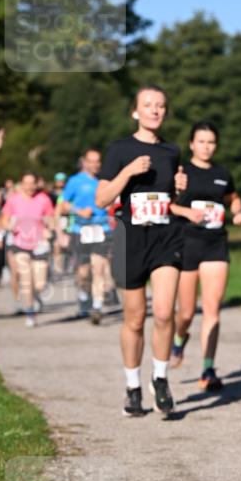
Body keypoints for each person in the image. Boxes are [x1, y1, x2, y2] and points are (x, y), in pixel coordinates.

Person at [96, 85, 187, 418]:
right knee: (134, 319)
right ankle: (133, 387)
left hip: (166, 238)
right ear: (135, 111)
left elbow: (170, 200)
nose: (155, 110)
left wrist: (178, 191)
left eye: (161, 105)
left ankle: (160, 379)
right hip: (129, 240)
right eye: (148, 105)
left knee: (164, 313)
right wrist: (128, 172)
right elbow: (102, 198)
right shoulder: (119, 150)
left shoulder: (172, 152)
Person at [169, 120, 241, 389]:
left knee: (212, 309)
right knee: (187, 313)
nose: (206, 147)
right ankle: (179, 340)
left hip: (215, 243)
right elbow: (166, 205)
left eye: (211, 142)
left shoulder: (222, 174)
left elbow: (233, 198)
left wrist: (238, 212)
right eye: (201, 141)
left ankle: (208, 369)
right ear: (191, 144)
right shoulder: (181, 172)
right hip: (187, 241)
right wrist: (186, 212)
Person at [61, 149, 112, 324]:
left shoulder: (104, 180)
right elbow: (64, 204)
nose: (95, 164)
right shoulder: (75, 181)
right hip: (80, 229)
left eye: (98, 161)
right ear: (84, 161)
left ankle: (97, 307)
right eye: (91, 161)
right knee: (83, 272)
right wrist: (79, 211)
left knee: (99, 268)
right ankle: (84, 294)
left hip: (101, 228)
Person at [0, 171, 54, 326]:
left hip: (39, 245)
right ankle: (30, 313)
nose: (29, 186)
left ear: (37, 184)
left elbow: (51, 219)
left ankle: (35, 297)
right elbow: (3, 220)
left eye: (32, 183)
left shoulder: (44, 199)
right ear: (21, 184)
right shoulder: (13, 200)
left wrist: (49, 229)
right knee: (26, 280)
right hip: (19, 245)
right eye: (26, 183)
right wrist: (8, 225)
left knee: (40, 284)